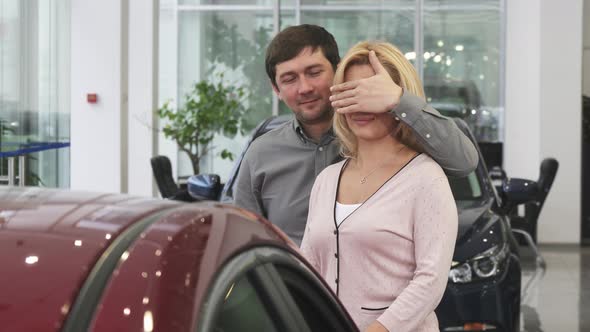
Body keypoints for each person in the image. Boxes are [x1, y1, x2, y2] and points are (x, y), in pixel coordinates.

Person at [234, 24, 475, 245]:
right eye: (289, 79)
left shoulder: (390, 136)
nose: (304, 88)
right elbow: (246, 242)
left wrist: (399, 100)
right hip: (290, 289)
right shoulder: (260, 155)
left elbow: (463, 161)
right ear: (276, 89)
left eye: (314, 72)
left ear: (338, 71)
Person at [300, 41, 458, 332]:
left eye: (372, 92)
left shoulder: (425, 178)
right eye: (350, 92)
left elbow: (430, 280)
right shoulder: (327, 179)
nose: (360, 104)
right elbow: (309, 268)